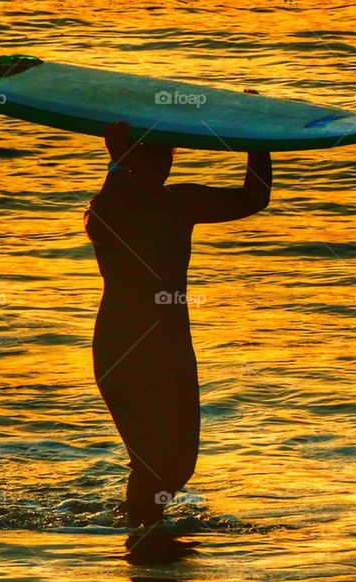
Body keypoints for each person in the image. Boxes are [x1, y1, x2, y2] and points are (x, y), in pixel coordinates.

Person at [84, 108, 272, 528]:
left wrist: (257, 139)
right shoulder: (106, 210)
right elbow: (107, 222)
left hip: (170, 346)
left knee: (179, 467)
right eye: (154, 158)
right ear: (130, 163)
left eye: (168, 157)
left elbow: (253, 198)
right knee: (150, 463)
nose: (164, 166)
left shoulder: (179, 203)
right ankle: (143, 545)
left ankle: (140, 526)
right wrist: (115, 161)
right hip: (122, 347)